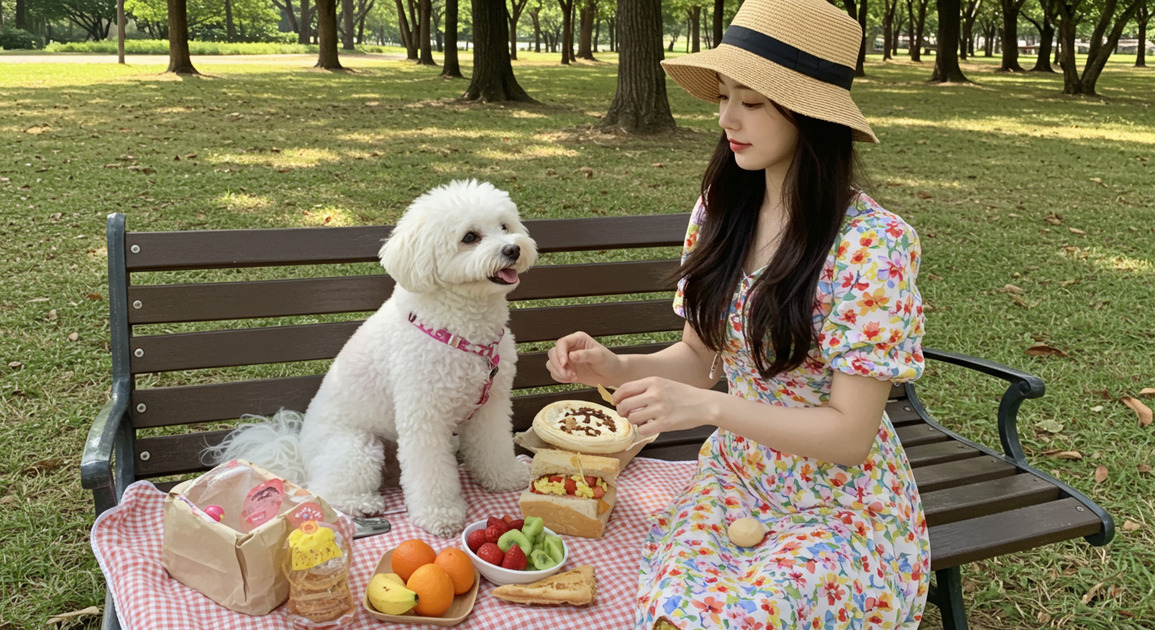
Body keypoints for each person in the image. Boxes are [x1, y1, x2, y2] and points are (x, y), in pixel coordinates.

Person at [545, 0, 930, 627]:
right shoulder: (722, 208)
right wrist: (611, 364)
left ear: (809, 112)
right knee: (675, 612)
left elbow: (850, 436)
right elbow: (698, 358)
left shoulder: (873, 244)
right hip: (736, 477)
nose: (726, 117)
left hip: (838, 505)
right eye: (725, 95)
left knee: (749, 615)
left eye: (751, 102)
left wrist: (710, 409)